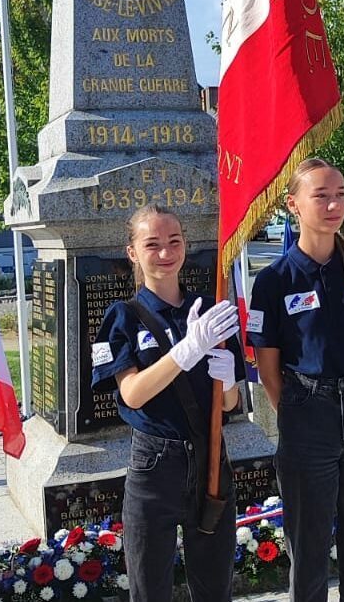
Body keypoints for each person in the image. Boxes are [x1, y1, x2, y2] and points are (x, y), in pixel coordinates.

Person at [247, 158, 344, 602]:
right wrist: (300, 410)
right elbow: (267, 364)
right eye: (321, 196)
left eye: (341, 194)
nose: (334, 204)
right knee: (309, 548)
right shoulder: (275, 280)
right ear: (294, 205)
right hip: (307, 412)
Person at [90, 204, 244, 602]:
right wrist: (186, 350)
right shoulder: (122, 317)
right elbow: (133, 393)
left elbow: (229, 404)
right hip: (154, 466)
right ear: (133, 253)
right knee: (150, 588)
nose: (165, 252)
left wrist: (226, 377)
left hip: (210, 457)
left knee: (214, 588)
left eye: (174, 241)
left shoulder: (210, 311)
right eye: (152, 244)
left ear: (186, 245)